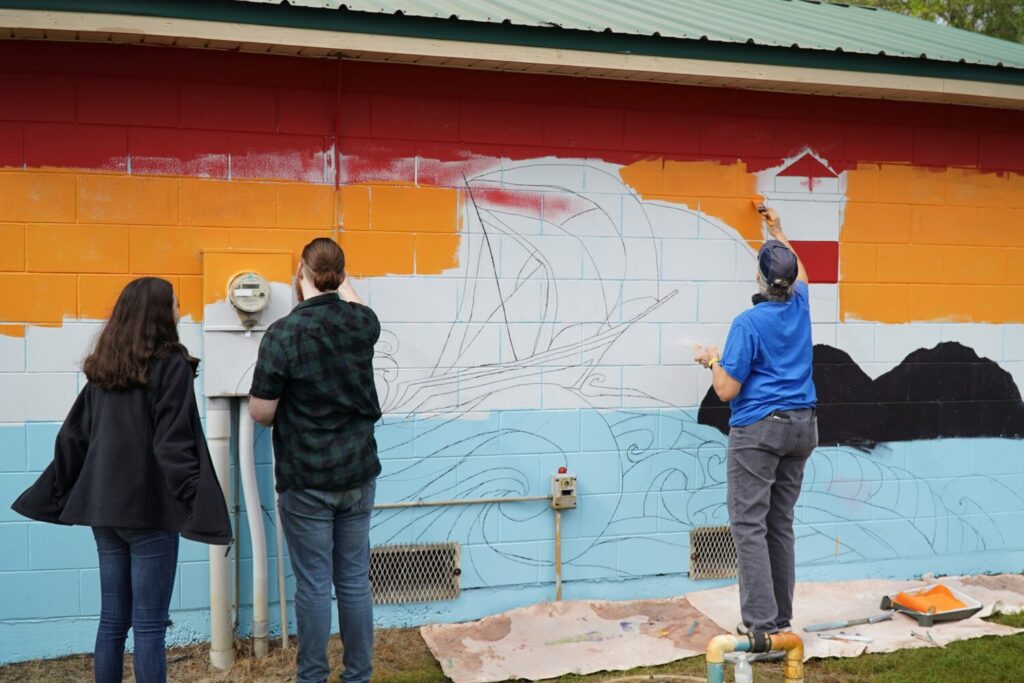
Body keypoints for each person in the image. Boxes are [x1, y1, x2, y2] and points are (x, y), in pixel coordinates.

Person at [12, 277, 232, 683]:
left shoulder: (103, 370)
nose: (180, 311)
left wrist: (59, 491)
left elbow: (72, 437)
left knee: (112, 620)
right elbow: (174, 443)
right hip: (148, 513)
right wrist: (192, 500)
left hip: (103, 512)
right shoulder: (172, 367)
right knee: (148, 625)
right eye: (176, 304)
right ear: (160, 313)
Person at [249, 238, 382, 683]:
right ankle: (358, 676)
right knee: (353, 582)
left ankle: (312, 678)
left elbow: (262, 412)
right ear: (343, 276)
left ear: (299, 275)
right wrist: (333, 280)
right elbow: (352, 300)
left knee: (312, 585)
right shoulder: (363, 323)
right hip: (358, 473)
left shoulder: (283, 333)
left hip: (306, 478)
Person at [693, 207, 818, 641]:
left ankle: (762, 627)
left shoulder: (747, 323)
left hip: (760, 431)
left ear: (761, 280)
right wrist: (779, 231)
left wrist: (710, 359)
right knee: (779, 522)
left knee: (749, 525)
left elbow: (726, 390)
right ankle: (781, 619)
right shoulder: (800, 304)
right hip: (803, 427)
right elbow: (801, 271)